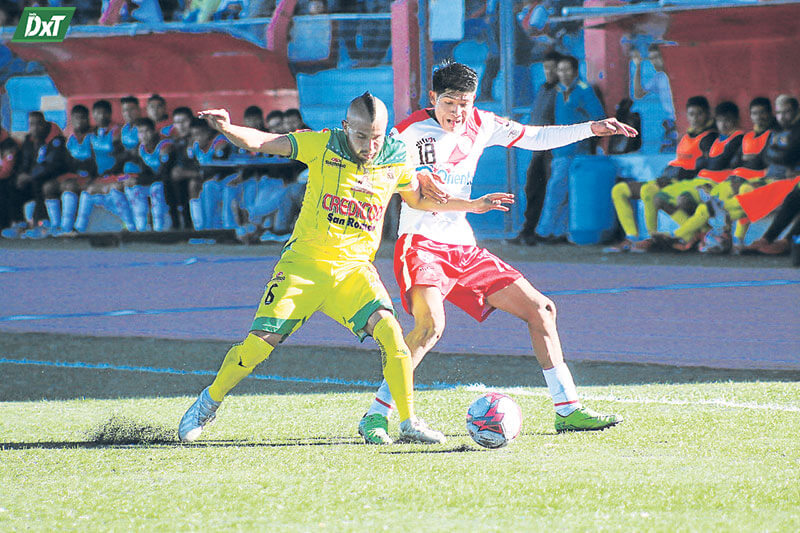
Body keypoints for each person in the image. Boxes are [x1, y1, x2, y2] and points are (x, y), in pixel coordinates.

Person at [178, 92, 514, 443]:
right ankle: (207, 402)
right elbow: (263, 141)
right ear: (346, 127)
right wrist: (228, 127)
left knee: (392, 334)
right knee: (259, 345)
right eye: (361, 136)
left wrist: (472, 205)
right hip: (303, 268)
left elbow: (418, 198)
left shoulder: (397, 157)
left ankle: (408, 422)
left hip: (353, 271)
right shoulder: (322, 144)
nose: (370, 146)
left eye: (377, 137)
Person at [356, 61, 637, 445]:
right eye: (451, 103)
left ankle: (568, 410)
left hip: (464, 248)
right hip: (421, 246)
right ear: (434, 98)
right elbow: (418, 201)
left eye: (465, 103)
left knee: (542, 310)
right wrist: (472, 205)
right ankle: (376, 416)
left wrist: (591, 127)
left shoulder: (482, 124)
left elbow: (534, 136)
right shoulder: (407, 134)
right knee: (430, 327)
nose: (458, 112)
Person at [605, 95, 717, 252]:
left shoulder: (709, 138)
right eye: (692, 114)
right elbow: (680, 163)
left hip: (682, 183)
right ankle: (631, 237)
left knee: (649, 191)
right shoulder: (686, 136)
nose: (695, 118)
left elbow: (698, 168)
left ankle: (652, 238)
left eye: (699, 114)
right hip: (667, 178)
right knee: (619, 190)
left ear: (707, 114)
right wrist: (665, 176)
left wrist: (671, 178)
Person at [535, 54, 606, 243]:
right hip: (560, 151)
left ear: (575, 71)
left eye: (567, 70)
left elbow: (598, 116)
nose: (563, 73)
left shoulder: (584, 90)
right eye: (560, 70)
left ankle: (545, 232)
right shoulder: (558, 91)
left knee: (557, 192)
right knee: (562, 193)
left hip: (575, 153)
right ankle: (558, 232)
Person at [512, 50, 561, 246]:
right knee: (532, 189)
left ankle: (546, 232)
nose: (548, 72)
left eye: (552, 68)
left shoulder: (561, 91)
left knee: (550, 192)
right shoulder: (543, 89)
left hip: (553, 150)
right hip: (538, 149)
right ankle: (528, 229)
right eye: (546, 68)